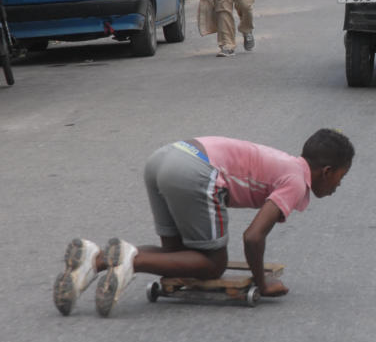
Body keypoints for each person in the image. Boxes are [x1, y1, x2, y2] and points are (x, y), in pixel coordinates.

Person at [52, 128, 355, 317]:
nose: (338, 186)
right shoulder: (296, 181)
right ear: (326, 171)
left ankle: (96, 261)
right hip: (196, 169)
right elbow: (253, 237)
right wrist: (262, 283)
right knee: (211, 263)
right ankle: (133, 260)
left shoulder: (286, 163)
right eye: (341, 178)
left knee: (177, 255)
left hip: (167, 156)